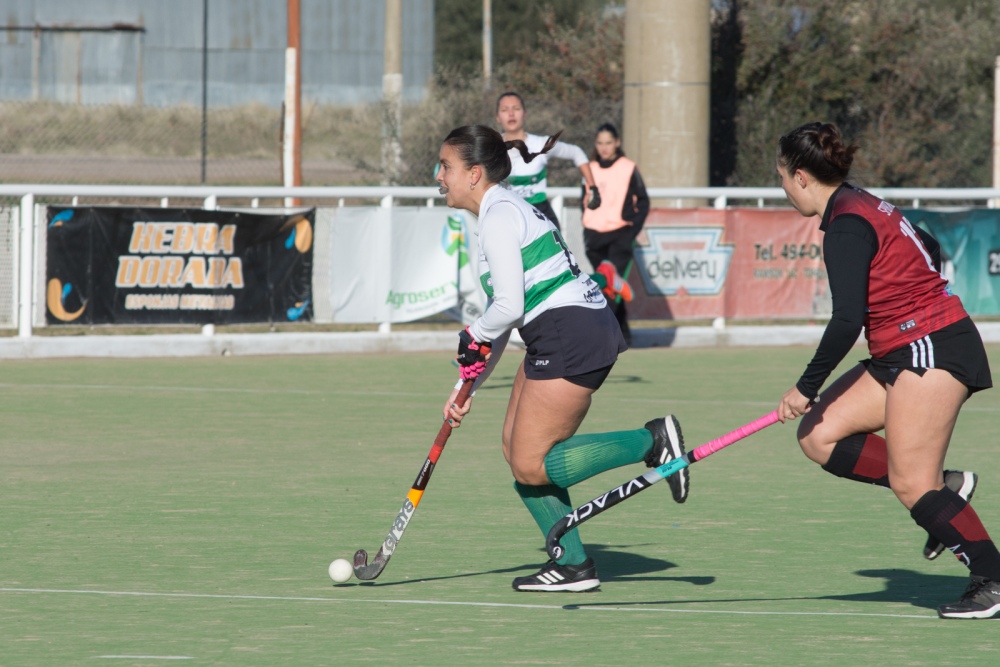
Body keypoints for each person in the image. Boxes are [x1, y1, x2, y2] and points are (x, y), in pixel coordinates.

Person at [435, 124, 690, 592]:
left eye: (445, 167)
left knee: (533, 462)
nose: (439, 176)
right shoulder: (502, 210)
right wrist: (464, 387)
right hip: (560, 330)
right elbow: (506, 316)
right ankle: (572, 565)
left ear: (473, 174)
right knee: (516, 451)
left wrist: (471, 334)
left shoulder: (497, 217)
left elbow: (505, 309)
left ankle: (651, 441)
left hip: (569, 331)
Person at [774, 121, 1000, 620]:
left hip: (933, 347)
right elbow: (927, 245)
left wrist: (805, 387)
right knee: (819, 436)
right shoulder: (858, 201)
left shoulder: (846, 225)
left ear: (802, 177)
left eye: (783, 180)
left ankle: (992, 578)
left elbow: (847, 319)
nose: (784, 191)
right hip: (900, 351)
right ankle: (948, 486)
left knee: (911, 483)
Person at [581, 123, 650, 346]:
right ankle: (624, 335)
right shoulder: (589, 168)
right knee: (608, 287)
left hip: (620, 235)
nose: (604, 147)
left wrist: (632, 232)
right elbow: (583, 199)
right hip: (594, 237)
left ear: (617, 143)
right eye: (600, 143)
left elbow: (644, 200)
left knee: (609, 286)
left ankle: (604, 338)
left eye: (608, 142)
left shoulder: (628, 167)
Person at [495, 91, 600, 231]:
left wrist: (592, 188)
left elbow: (577, 153)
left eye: (516, 109)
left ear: (524, 113)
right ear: (497, 117)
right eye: (504, 110)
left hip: (539, 215)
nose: (511, 114)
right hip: (507, 216)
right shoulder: (491, 148)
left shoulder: (541, 144)